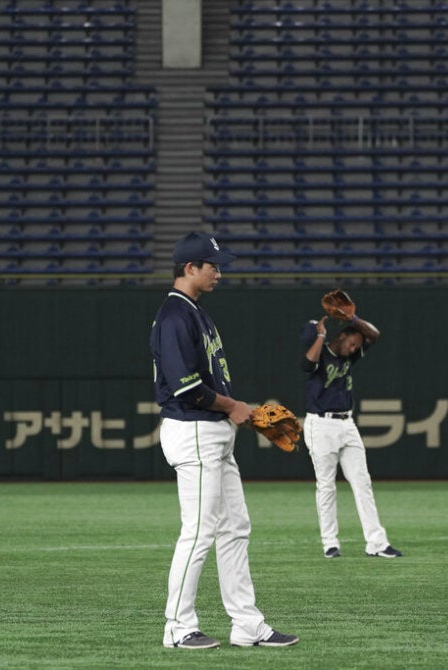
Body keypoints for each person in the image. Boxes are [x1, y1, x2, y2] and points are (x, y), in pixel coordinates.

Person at [150, 231, 299, 650]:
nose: (219, 271)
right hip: (194, 428)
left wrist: (241, 411)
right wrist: (234, 407)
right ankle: (178, 628)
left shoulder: (196, 313)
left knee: (235, 528)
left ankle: (247, 624)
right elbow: (186, 388)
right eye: (212, 265)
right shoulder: (175, 316)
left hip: (213, 431)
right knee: (198, 532)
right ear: (189, 268)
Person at [299, 310, 403, 559]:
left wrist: (353, 318)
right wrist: (321, 335)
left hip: (347, 423)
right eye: (352, 343)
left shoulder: (350, 356)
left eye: (357, 345)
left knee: (362, 482)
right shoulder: (322, 350)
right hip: (320, 425)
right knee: (326, 486)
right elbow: (306, 364)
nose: (355, 348)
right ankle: (330, 543)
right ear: (342, 337)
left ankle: (376, 543)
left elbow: (374, 335)